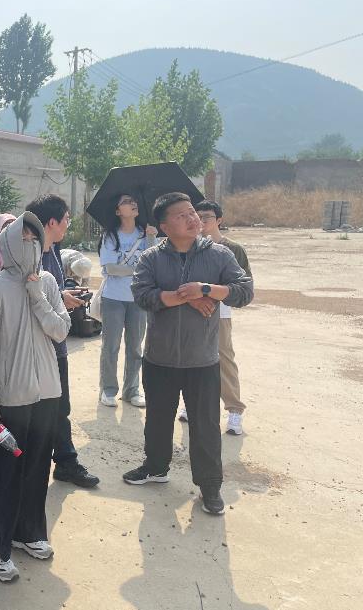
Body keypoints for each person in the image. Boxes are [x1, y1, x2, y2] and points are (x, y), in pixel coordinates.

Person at [125, 192, 253, 516]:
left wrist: (206, 289)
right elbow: (142, 295)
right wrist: (187, 297)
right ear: (165, 226)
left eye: (192, 212)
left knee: (205, 427)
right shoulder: (151, 258)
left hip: (202, 359)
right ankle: (156, 467)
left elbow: (244, 291)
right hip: (160, 357)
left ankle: (210, 487)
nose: (192, 218)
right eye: (181, 215)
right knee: (157, 419)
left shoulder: (219, 255)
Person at [0, 212, 71, 582]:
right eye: (23, 237)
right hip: (11, 397)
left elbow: (61, 331)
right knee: (4, 474)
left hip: (47, 393)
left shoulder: (46, 281)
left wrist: (37, 297)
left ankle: (28, 531)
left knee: (37, 468)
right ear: (9, 242)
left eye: (35, 238)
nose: (30, 244)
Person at [25, 194, 100, 488]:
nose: (69, 224)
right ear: (52, 222)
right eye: (67, 219)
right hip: (37, 347)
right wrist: (60, 299)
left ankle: (66, 462)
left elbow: (50, 291)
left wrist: (64, 295)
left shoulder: (53, 249)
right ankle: (36, 468)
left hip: (56, 344)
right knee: (38, 410)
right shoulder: (28, 254)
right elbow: (29, 298)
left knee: (60, 407)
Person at [189, 199, 252, 435]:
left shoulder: (233, 249)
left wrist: (213, 293)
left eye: (206, 217)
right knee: (192, 356)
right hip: (192, 310)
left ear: (219, 220)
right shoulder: (190, 246)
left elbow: (244, 285)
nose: (201, 221)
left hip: (221, 312)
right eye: (198, 216)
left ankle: (234, 410)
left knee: (224, 358)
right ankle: (190, 403)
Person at [97, 193, 157, 408]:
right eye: (125, 202)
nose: (132, 204)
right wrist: (139, 270)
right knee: (111, 346)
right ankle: (108, 390)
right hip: (113, 297)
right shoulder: (110, 236)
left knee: (135, 347)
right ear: (117, 211)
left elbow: (154, 263)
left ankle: (131, 390)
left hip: (138, 298)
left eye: (133, 201)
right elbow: (110, 268)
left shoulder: (146, 233)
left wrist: (152, 238)